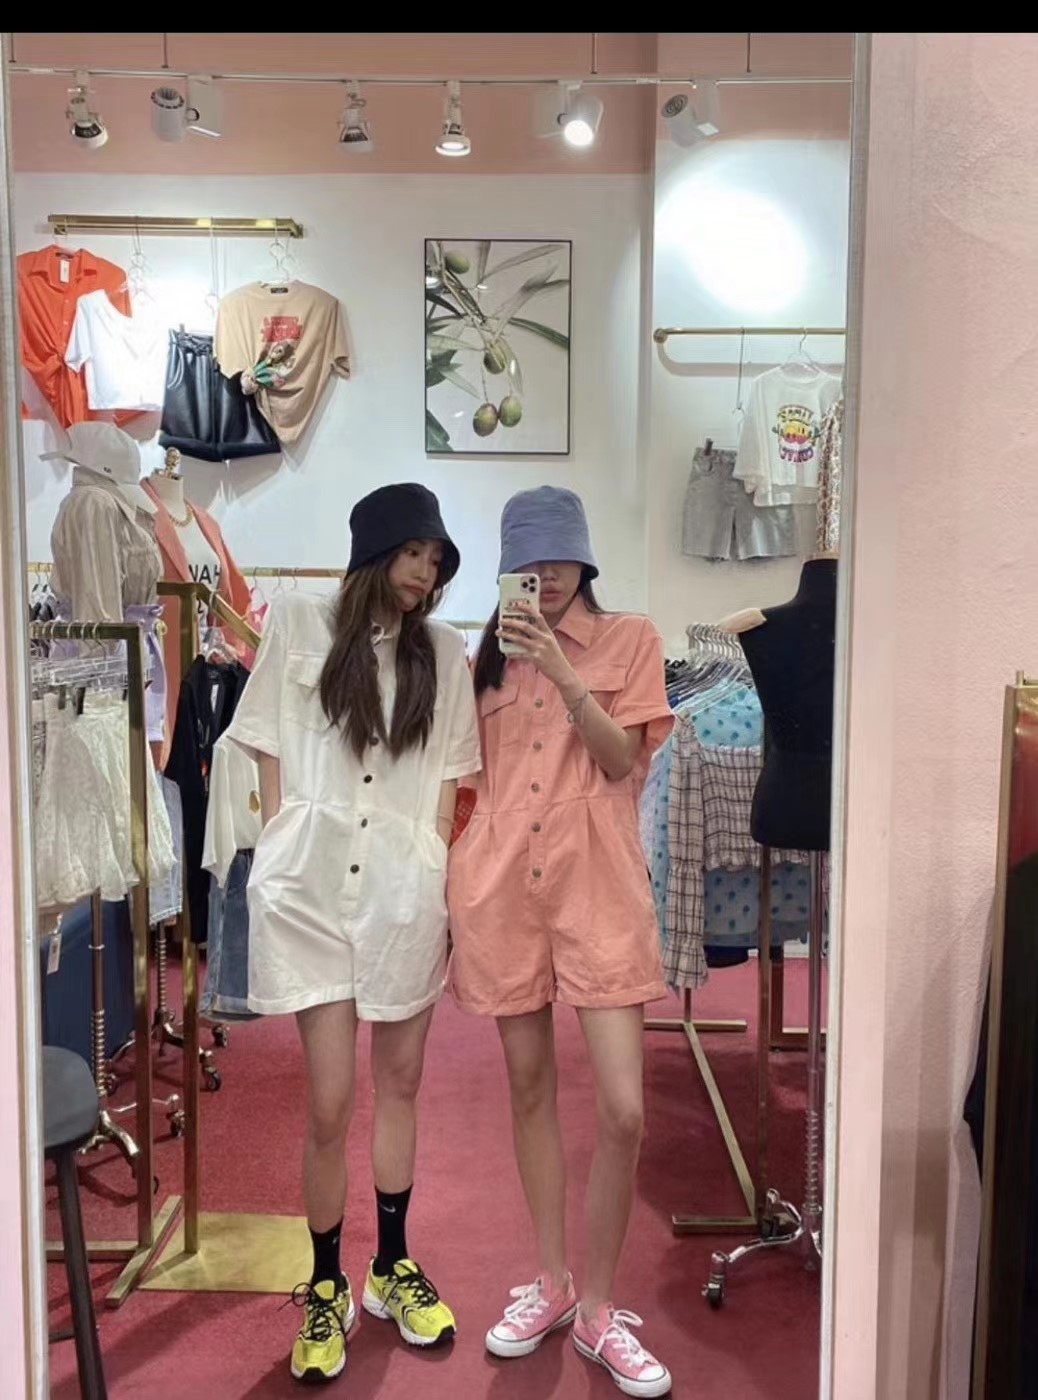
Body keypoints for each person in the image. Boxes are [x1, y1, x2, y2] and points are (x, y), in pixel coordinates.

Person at [225, 483, 480, 1385]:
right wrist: (281, 837)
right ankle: (327, 1281)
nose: (425, 573)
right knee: (330, 1101)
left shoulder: (443, 653)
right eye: (413, 552)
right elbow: (264, 739)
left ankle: (391, 1266)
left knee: (400, 1085)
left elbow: (451, 778)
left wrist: (433, 865)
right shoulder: (301, 622)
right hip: (311, 893)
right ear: (377, 549)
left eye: (436, 561)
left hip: (403, 896)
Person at [448, 486, 674, 1399]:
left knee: (623, 1109)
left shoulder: (632, 638)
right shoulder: (482, 662)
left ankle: (601, 1309)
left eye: (557, 558)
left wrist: (562, 669)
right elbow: (465, 784)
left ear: (584, 558)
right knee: (530, 1087)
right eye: (526, 562)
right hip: (503, 887)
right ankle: (553, 1282)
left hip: (599, 885)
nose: (543, 576)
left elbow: (621, 760)